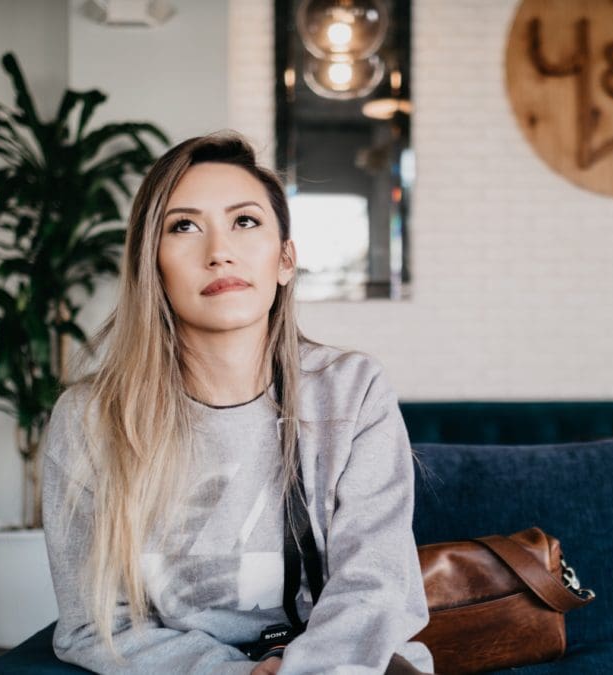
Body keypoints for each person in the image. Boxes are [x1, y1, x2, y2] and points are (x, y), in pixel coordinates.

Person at [43, 131, 434, 674]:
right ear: (152, 268)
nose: (219, 251)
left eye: (245, 221)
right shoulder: (90, 421)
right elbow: (94, 624)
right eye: (183, 226)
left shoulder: (352, 390)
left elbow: (376, 584)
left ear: (285, 260)